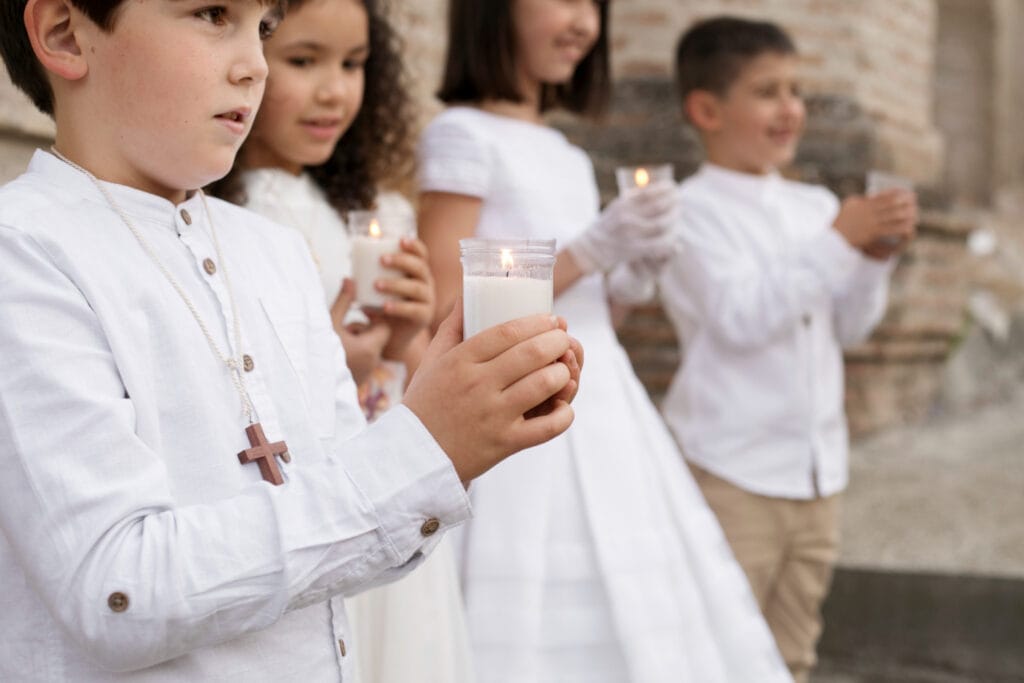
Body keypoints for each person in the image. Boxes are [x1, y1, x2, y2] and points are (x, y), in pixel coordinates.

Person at [0, 1, 582, 680]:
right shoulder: (24, 252)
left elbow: (347, 548)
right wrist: (423, 449)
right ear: (67, 34)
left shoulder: (272, 250)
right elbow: (119, 591)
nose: (255, 66)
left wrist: (452, 433)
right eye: (213, 14)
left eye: (265, 29)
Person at [417, 1, 791, 681]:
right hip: (520, 422)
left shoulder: (565, 151)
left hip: (603, 402)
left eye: (593, 4)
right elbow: (449, 312)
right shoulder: (461, 135)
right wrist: (592, 249)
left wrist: (632, 274)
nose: (583, 23)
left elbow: (587, 317)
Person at [209, 0, 474, 680]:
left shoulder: (379, 213)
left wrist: (407, 335)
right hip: (307, 510)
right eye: (303, 61)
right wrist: (330, 357)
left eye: (354, 65)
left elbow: (403, 377)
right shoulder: (224, 216)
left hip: (390, 487)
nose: (335, 90)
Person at [657, 16, 918, 683]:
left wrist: (873, 259)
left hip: (816, 472)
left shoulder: (815, 205)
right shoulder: (688, 211)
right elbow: (741, 316)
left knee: (792, 655)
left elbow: (850, 327)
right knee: (715, 649)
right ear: (706, 109)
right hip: (731, 470)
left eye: (796, 89)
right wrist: (841, 241)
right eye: (768, 91)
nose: (792, 108)